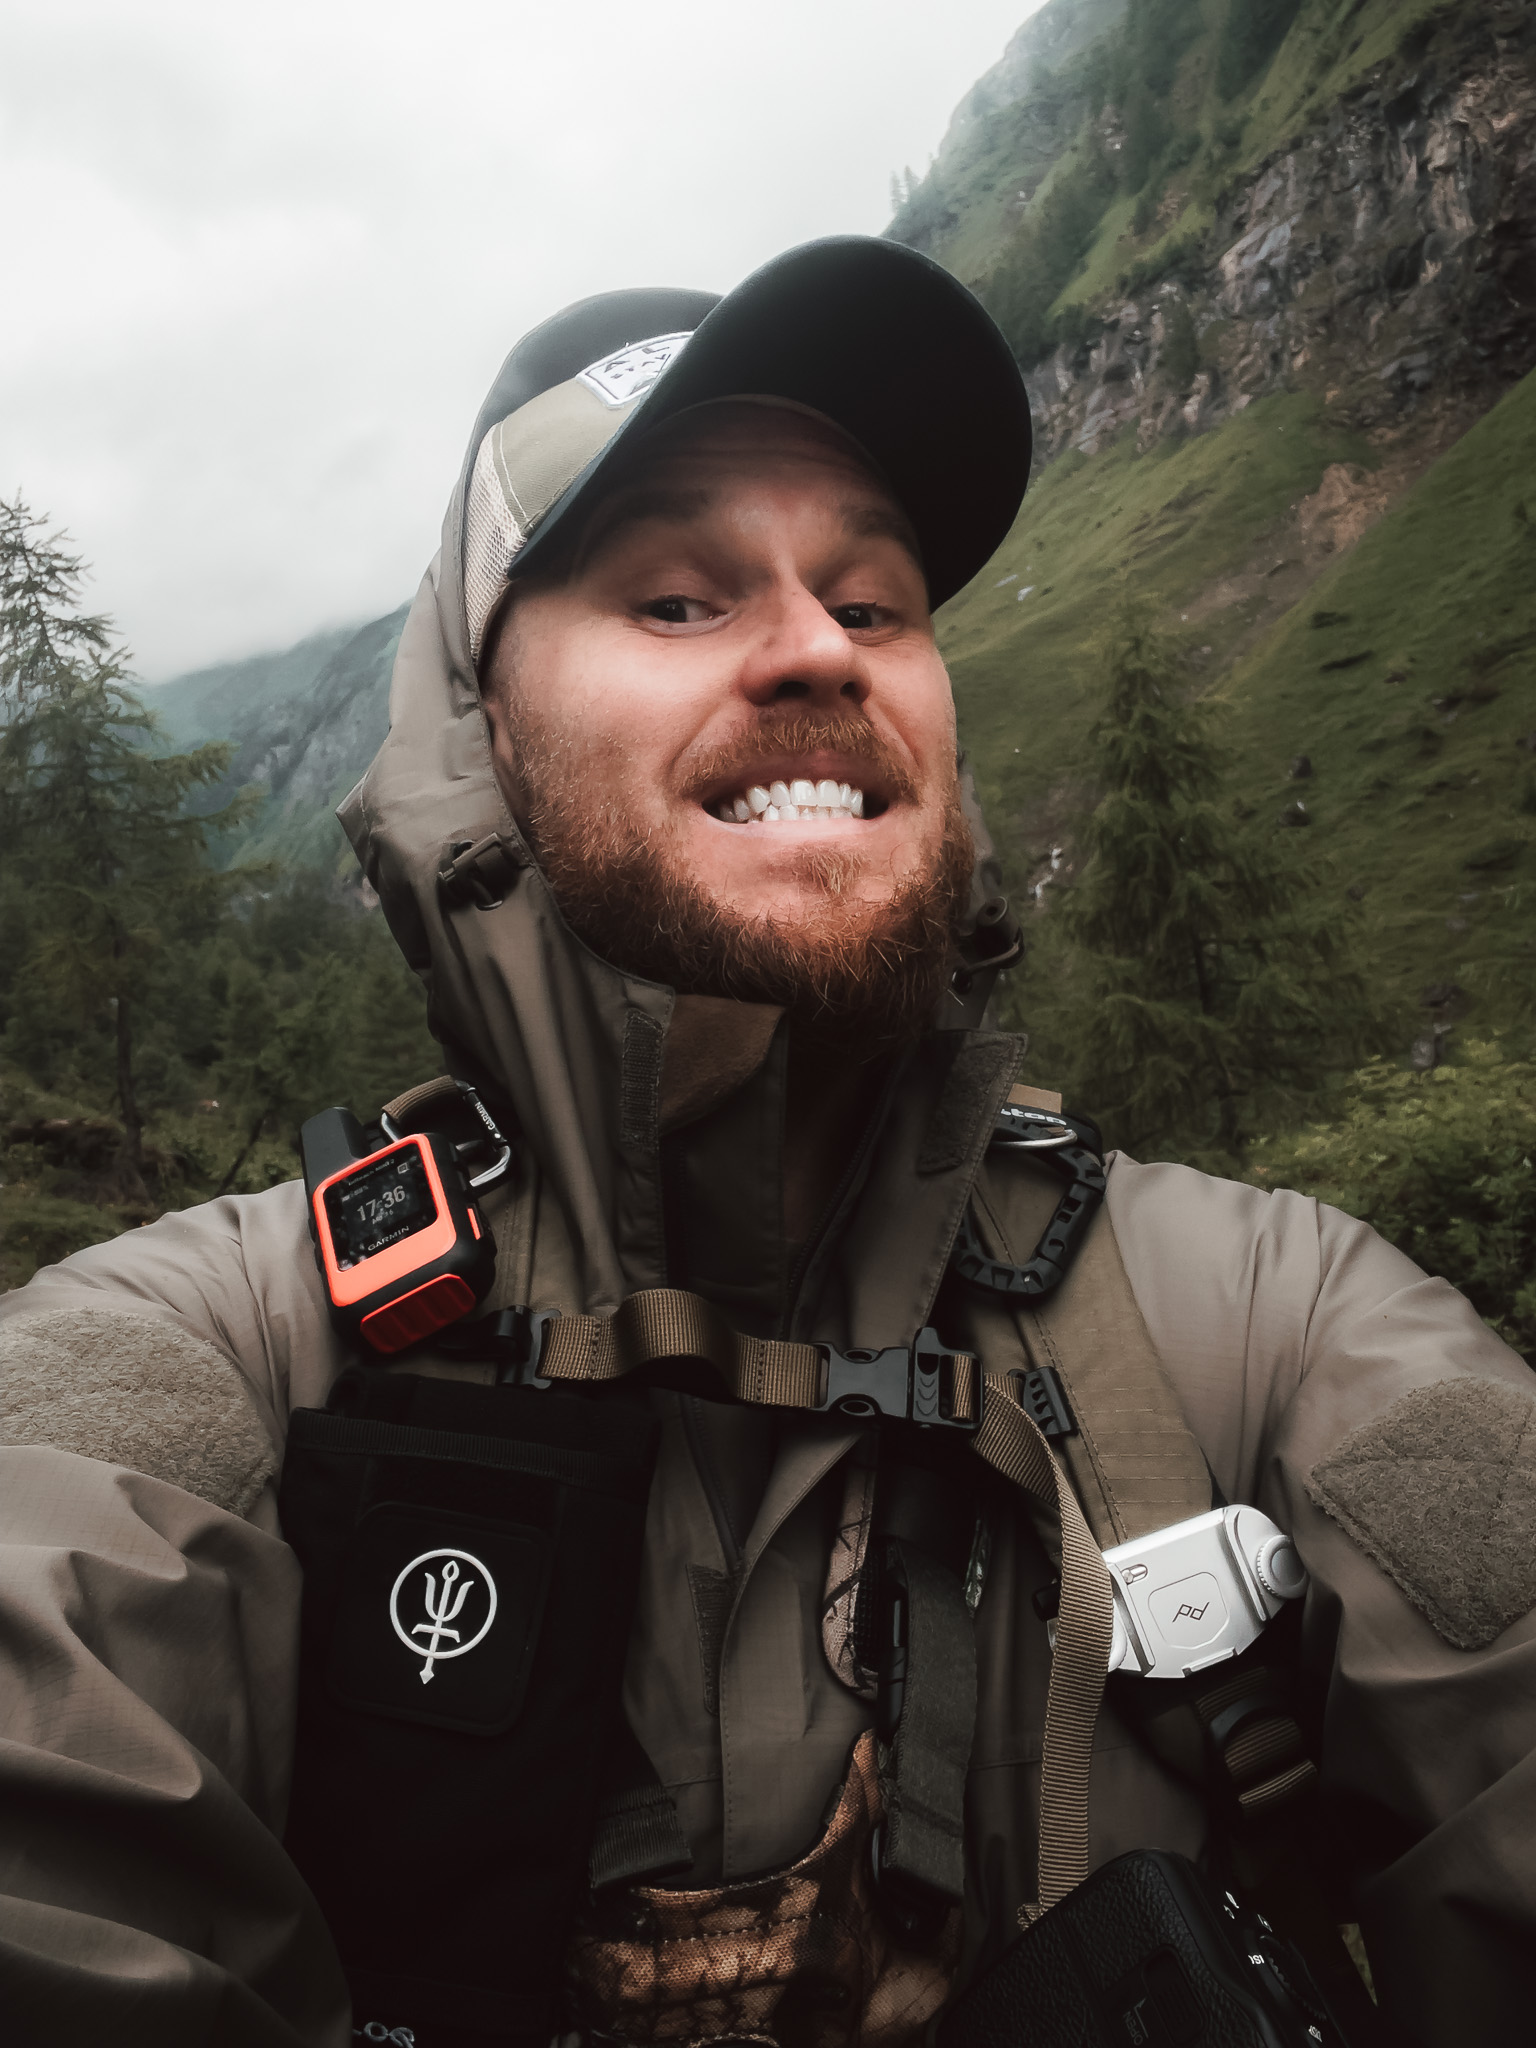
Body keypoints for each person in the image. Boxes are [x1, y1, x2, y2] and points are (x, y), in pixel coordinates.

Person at [0, 235, 1532, 2048]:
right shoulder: (206, 1358)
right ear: (484, 738)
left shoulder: (1279, 1321)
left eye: (876, 604)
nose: (817, 646)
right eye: (673, 599)